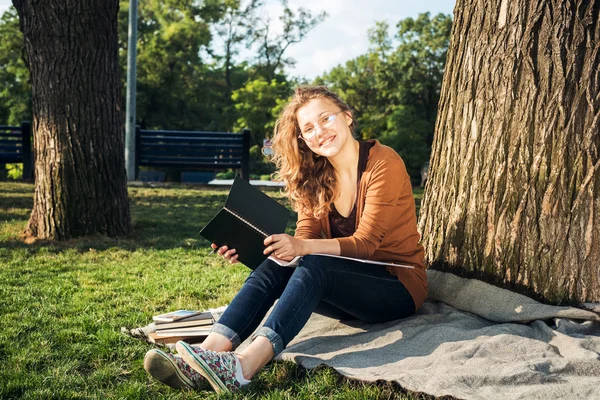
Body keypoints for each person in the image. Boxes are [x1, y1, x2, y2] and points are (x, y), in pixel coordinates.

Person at [143, 86, 428, 394]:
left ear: (347, 118)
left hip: (396, 286)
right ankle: (207, 354)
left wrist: (301, 248)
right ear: (303, 140)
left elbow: (366, 243)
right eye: (308, 128)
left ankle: (244, 366)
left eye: (326, 119)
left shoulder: (383, 162)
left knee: (315, 262)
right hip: (344, 290)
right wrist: (260, 249)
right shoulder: (315, 174)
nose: (320, 131)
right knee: (279, 263)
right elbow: (304, 237)